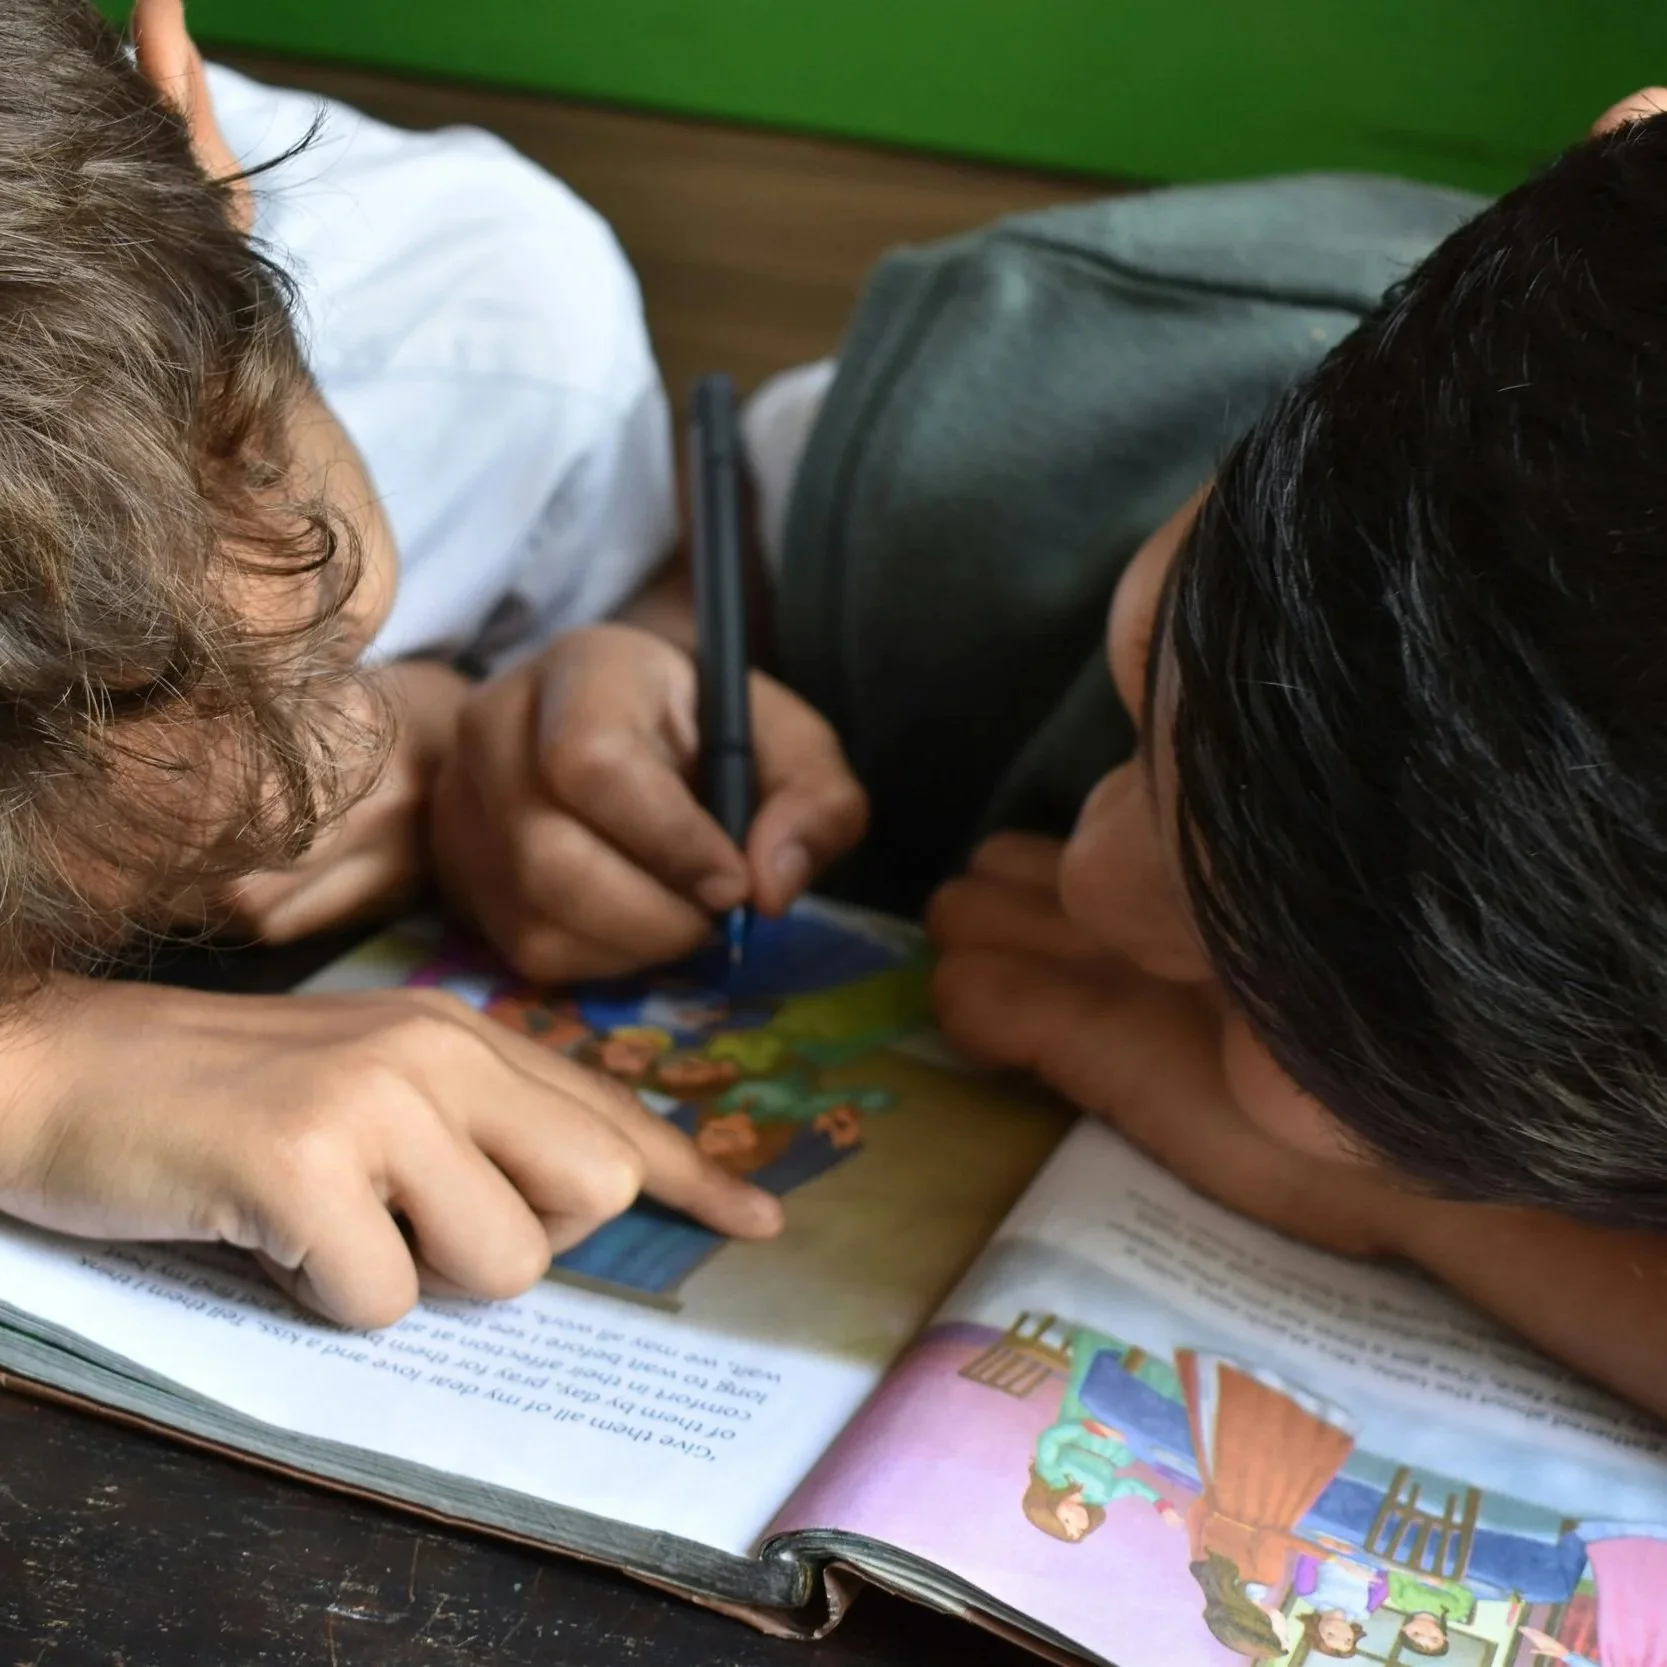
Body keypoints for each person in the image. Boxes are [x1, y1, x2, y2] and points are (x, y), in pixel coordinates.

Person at [434, 74, 1667, 1417]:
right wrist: (645, 647)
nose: (1091, 877)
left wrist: (1399, 1208)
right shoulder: (1027, 394)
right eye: (1151, 657)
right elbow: (731, 542)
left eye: (1284, 1023)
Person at [0, 0, 784, 1331]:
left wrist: (528, 713)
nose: (257, 801)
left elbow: (643, 615)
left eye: (319, 641)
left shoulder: (501, 343)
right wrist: (35, 1079)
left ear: (191, 134)